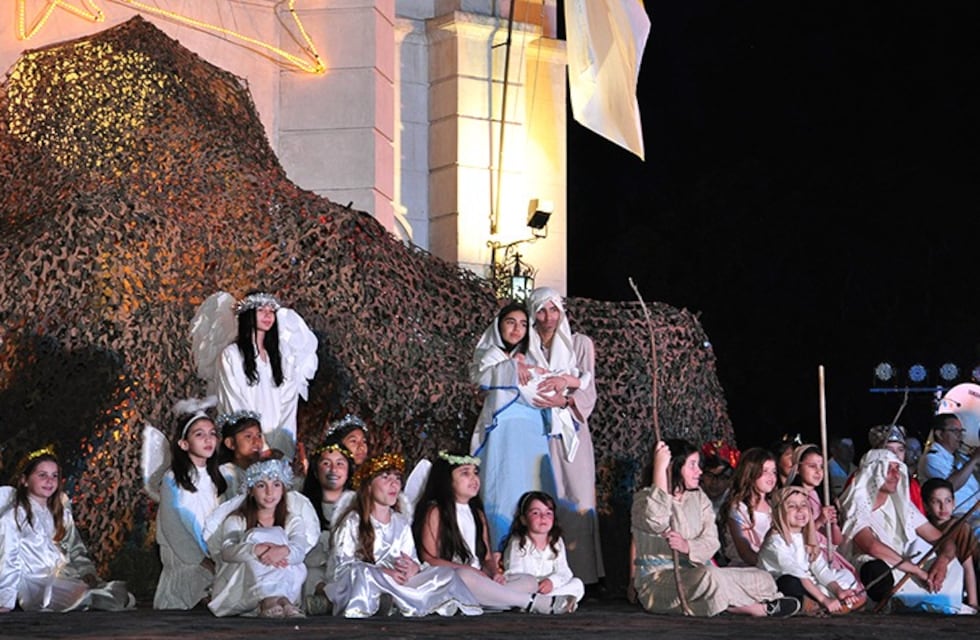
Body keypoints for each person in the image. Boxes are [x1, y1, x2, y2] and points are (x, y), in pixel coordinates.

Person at [630, 439, 799, 617]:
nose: (699, 471)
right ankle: (753, 608)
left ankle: (727, 602)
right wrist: (660, 469)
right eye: (692, 465)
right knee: (710, 577)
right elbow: (656, 520)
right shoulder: (645, 499)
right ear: (674, 467)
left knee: (762, 578)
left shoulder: (699, 498)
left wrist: (688, 547)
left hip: (697, 571)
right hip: (661, 579)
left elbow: (712, 541)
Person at [413, 452, 575, 614]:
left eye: (475, 473)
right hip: (454, 577)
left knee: (529, 581)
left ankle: (480, 601)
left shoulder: (477, 513)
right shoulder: (435, 511)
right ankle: (530, 602)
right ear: (447, 480)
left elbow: (488, 558)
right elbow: (430, 559)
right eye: (465, 473)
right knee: (464, 577)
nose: (474, 478)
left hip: (480, 579)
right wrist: (468, 570)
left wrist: (494, 572)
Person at [326, 453, 481, 618]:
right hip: (367, 579)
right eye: (385, 478)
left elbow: (411, 558)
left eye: (397, 478)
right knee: (363, 574)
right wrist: (382, 572)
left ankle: (395, 600)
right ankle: (379, 602)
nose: (394, 484)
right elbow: (342, 567)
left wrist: (413, 568)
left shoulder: (400, 522)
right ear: (369, 486)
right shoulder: (353, 521)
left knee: (446, 574)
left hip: (398, 580)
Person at [526, 287, 603, 585]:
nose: (549, 317)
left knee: (577, 496)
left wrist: (566, 401)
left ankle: (582, 574)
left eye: (554, 310)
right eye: (542, 311)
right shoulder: (526, 345)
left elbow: (588, 388)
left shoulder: (579, 344)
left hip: (572, 431)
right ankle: (542, 571)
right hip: (536, 430)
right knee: (541, 495)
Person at [0, 448, 134, 612]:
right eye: (42, 475)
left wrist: (86, 571)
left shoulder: (59, 513)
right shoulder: (14, 516)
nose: (49, 481)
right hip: (34, 583)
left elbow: (74, 546)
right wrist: (5, 601)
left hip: (61, 577)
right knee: (90, 599)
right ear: (25, 480)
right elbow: (8, 558)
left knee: (116, 594)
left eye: (54, 476)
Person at [470, 303, 556, 552]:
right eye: (510, 322)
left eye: (522, 324)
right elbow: (481, 378)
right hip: (502, 434)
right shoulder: (490, 355)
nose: (516, 329)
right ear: (499, 325)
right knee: (503, 486)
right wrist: (512, 368)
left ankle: (539, 554)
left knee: (533, 486)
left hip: (531, 432)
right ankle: (499, 552)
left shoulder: (531, 356)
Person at [192, 290, 318, 460]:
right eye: (261, 310)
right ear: (248, 314)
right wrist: (259, 445)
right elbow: (234, 402)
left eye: (271, 311)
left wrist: (281, 447)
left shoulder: (281, 357)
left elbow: (288, 402)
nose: (267, 315)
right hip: (247, 450)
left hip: (276, 449)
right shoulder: (232, 355)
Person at [840, 448, 965, 613]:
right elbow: (871, 546)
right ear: (874, 471)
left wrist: (942, 561)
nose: (895, 475)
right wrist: (918, 572)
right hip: (875, 564)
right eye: (889, 469)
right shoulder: (855, 503)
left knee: (953, 563)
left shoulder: (901, 504)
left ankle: (937, 602)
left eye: (897, 469)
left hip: (904, 563)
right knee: (876, 570)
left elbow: (943, 540)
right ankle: (891, 604)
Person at [207, 458, 318, 618]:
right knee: (258, 536)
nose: (269, 492)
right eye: (261, 485)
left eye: (276, 485)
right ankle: (269, 600)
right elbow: (228, 552)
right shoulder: (237, 520)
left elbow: (299, 550)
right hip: (244, 587)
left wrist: (282, 551)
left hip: (285, 583)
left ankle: (281, 599)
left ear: (283, 488)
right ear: (251, 490)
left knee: (286, 548)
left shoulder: (292, 520)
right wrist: (256, 549)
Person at [154, 400, 228, 609]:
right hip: (185, 556)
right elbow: (172, 525)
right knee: (203, 583)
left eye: (212, 433)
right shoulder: (173, 479)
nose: (208, 439)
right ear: (184, 444)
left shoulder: (218, 479)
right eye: (199, 434)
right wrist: (200, 559)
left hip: (211, 551)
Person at [758, 486, 865, 615]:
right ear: (780, 512)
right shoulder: (775, 543)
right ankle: (816, 604)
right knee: (790, 583)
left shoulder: (806, 537)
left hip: (809, 580)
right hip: (786, 581)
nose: (800, 510)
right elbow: (798, 574)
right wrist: (825, 600)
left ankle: (834, 599)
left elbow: (819, 567)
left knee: (844, 575)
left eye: (804, 505)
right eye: (792, 506)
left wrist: (838, 590)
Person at [787, 444, 860, 589]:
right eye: (812, 466)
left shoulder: (824, 497)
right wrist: (820, 521)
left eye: (821, 466)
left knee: (848, 579)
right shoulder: (791, 497)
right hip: (806, 555)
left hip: (828, 554)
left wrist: (832, 524)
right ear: (798, 468)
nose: (818, 471)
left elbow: (837, 541)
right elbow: (795, 535)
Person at [301, 438, 356, 614]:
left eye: (340, 464)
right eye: (326, 463)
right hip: (314, 566)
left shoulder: (359, 505)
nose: (333, 470)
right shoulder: (301, 504)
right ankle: (324, 597)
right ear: (316, 471)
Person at [503, 491, 585, 606]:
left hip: (549, 589)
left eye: (548, 513)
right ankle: (549, 602)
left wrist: (552, 582)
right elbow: (513, 573)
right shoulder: (518, 542)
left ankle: (545, 601)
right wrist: (535, 585)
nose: (543, 517)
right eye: (536, 513)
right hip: (528, 589)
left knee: (577, 584)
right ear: (523, 519)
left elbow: (564, 572)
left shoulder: (556, 541)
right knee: (515, 590)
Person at [921, 477, 978, 609]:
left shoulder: (960, 527)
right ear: (926, 506)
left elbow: (968, 568)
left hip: (954, 586)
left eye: (948, 501)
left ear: (954, 502)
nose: (943, 507)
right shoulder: (922, 526)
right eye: (936, 502)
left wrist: (973, 603)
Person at [919, 413, 980, 534]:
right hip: (957, 515)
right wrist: (974, 460)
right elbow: (949, 487)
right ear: (939, 434)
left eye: (961, 431)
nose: (960, 436)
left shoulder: (961, 457)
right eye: (955, 431)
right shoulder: (932, 459)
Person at [721, 448, 776, 566]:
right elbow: (745, 553)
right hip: (748, 568)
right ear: (751, 473)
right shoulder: (738, 509)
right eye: (765, 471)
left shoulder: (774, 507)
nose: (771, 476)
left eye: (774, 472)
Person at [869, 424, 924, 513]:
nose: (895, 454)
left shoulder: (910, 483)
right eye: (889, 450)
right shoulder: (862, 479)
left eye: (900, 450)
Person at [217, 410, 265, 498]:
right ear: (230, 443)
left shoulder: (264, 471)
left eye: (259, 436)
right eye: (248, 436)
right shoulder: (223, 474)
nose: (257, 441)